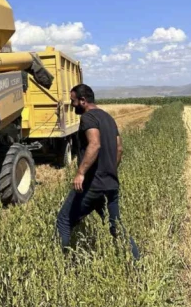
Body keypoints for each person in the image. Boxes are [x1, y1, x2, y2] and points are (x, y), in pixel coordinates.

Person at [56, 84, 140, 259]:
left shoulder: (88, 118)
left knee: (64, 220)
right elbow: (119, 149)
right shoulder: (108, 118)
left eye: (73, 101)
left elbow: (94, 144)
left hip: (92, 185)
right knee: (116, 226)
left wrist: (81, 172)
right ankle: (137, 262)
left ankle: (60, 265)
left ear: (83, 100)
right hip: (110, 183)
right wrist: (109, 171)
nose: (72, 105)